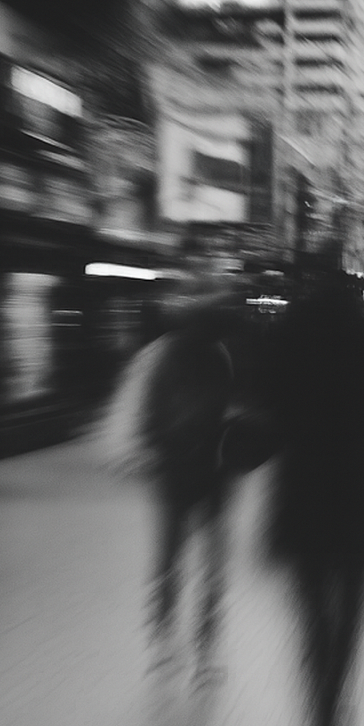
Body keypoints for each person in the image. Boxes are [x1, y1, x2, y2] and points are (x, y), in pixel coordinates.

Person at [261, 277, 364, 726]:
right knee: (351, 617)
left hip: (301, 493)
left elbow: (269, 415)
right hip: (357, 492)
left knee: (312, 619)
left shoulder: (285, 341)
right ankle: (336, 699)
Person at [102, 268, 246, 683]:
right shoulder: (215, 353)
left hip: (181, 470)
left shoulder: (170, 353)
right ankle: (198, 650)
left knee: (173, 559)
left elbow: (139, 408)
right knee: (205, 564)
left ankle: (168, 642)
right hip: (205, 471)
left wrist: (143, 449)